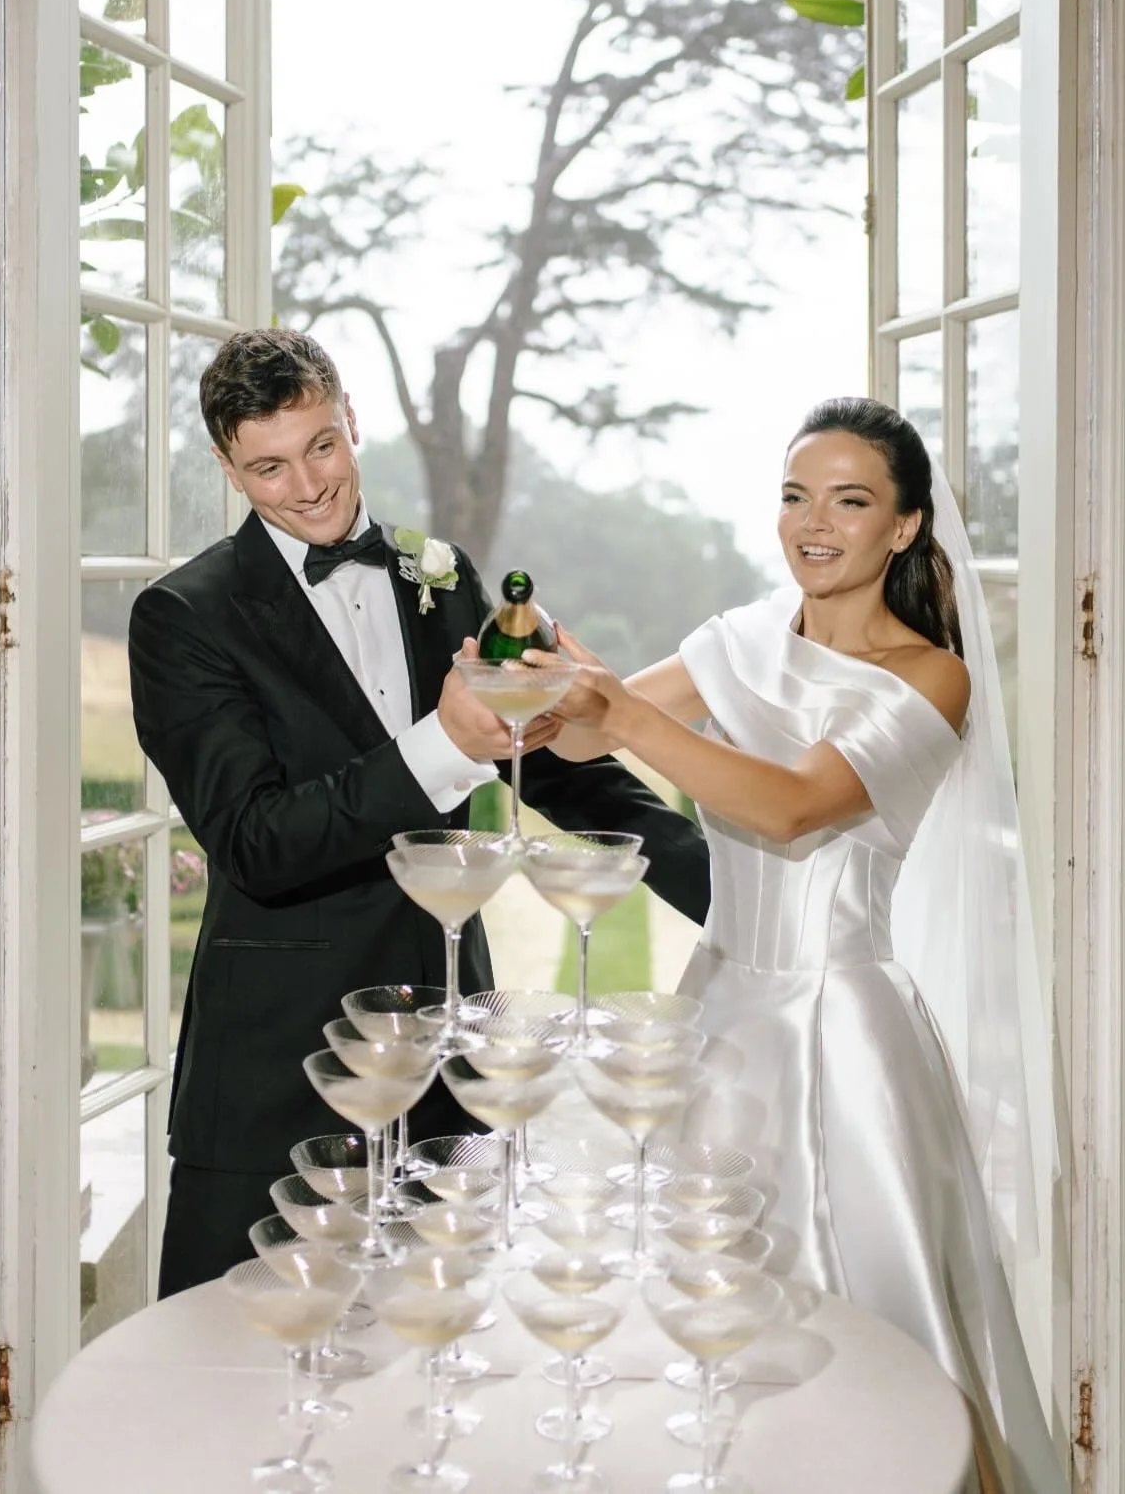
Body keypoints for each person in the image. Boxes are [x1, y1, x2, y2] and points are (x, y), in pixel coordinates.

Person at [543, 397, 1063, 1494]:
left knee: (863, 1311)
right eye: (793, 496)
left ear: (906, 527)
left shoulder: (932, 677)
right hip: (718, 1011)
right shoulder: (738, 640)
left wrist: (626, 721)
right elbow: (597, 730)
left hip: (842, 1032)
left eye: (849, 500)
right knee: (699, 1316)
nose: (812, 523)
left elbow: (789, 809)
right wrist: (555, 685)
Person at [129, 327, 710, 1298]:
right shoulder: (184, 617)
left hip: (445, 1055)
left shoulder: (436, 574)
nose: (308, 485)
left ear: (351, 420)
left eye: (321, 445)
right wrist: (443, 743)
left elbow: (548, 769)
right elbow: (256, 842)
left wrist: (731, 886)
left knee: (429, 1371)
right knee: (237, 1378)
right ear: (231, 470)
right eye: (268, 467)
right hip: (280, 1065)